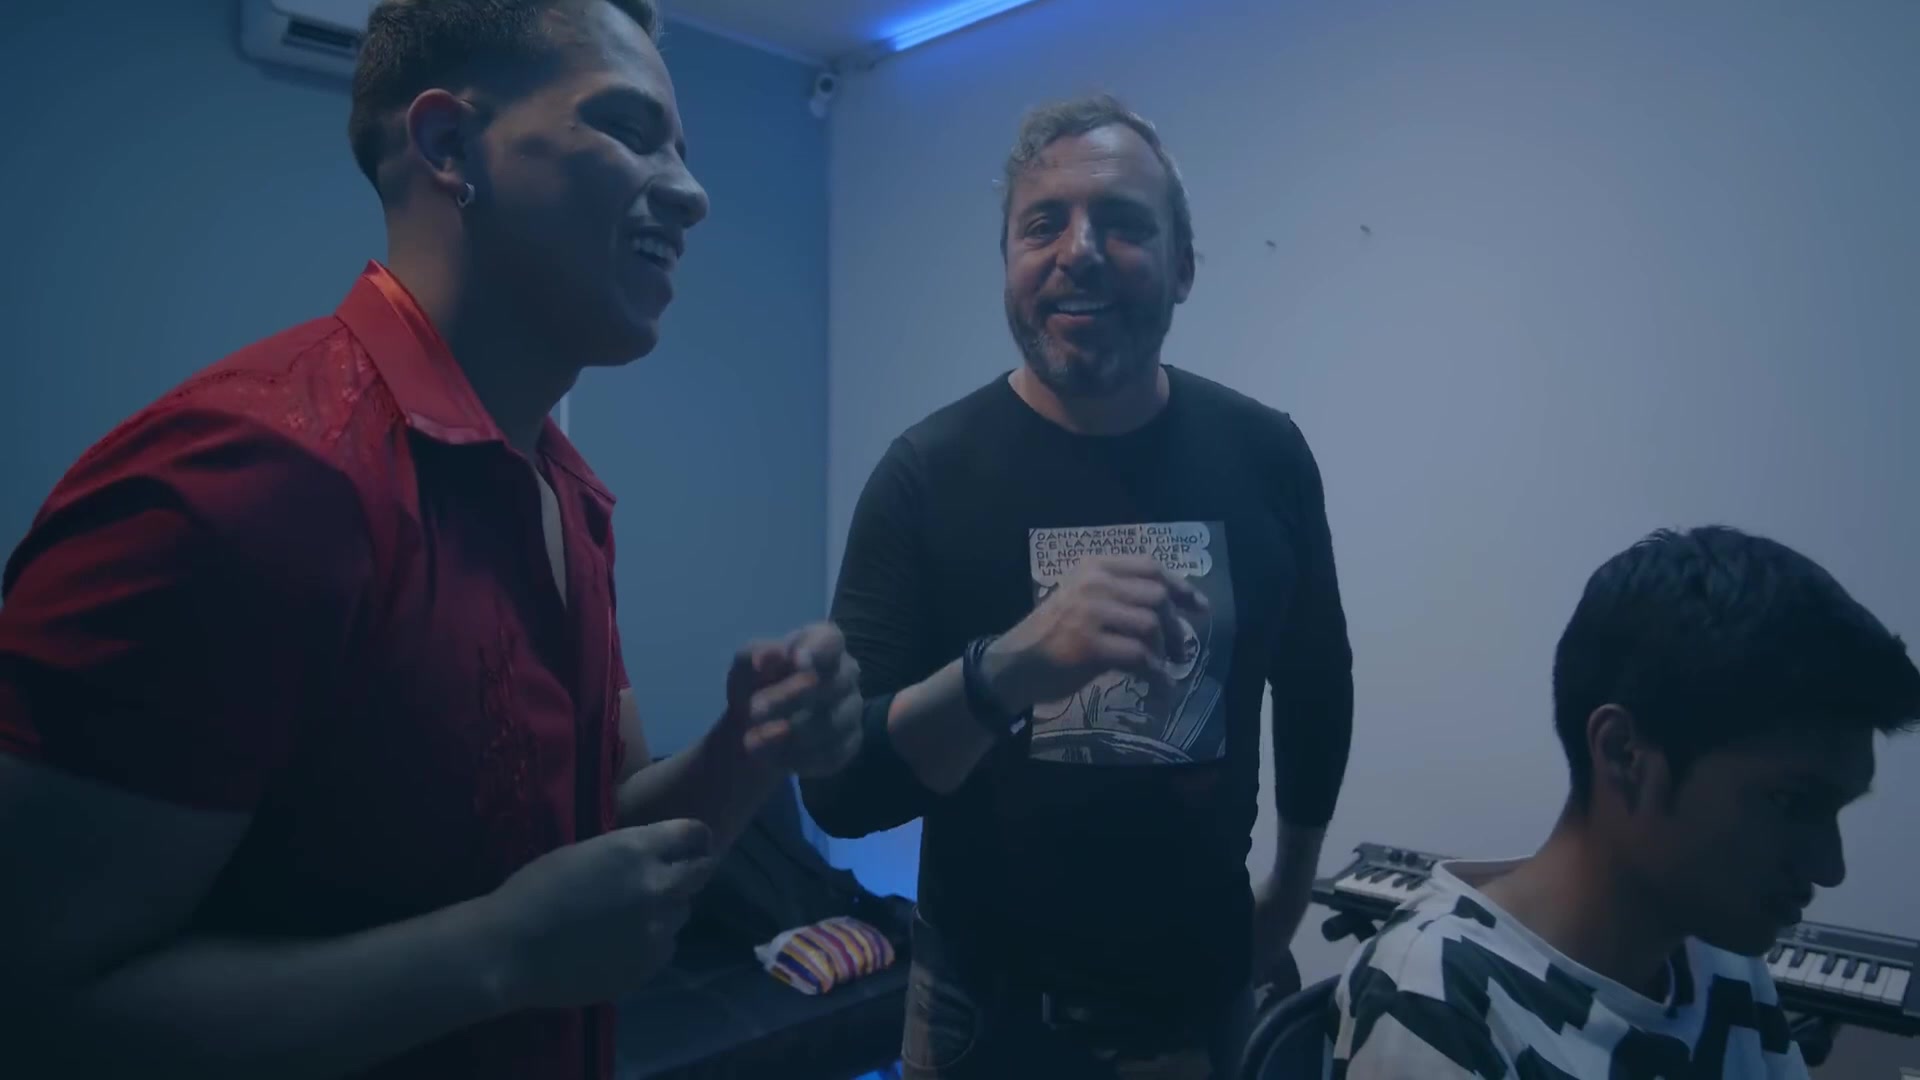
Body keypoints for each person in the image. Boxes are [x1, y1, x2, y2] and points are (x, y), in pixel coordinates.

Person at [0, 2, 863, 1077]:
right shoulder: (242, 477)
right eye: (629, 130)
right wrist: (494, 957)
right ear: (451, 146)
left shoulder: (568, 494)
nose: (692, 193)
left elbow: (596, 841)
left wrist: (747, 750)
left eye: (682, 151)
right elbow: (35, 1010)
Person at [801, 94, 1355, 1079]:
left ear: (1183, 267)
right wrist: (1006, 671)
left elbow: (1317, 682)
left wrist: (1288, 892)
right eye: (1043, 224)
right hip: (984, 1014)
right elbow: (841, 790)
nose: (1079, 252)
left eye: (1124, 223)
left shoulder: (1266, 456)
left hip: (1203, 1005)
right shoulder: (925, 475)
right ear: (1008, 266)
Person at [1330, 526, 1920, 1079]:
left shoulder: (1723, 953)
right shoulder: (1435, 1001)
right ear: (1623, 753)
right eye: (1790, 802)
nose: (1830, 868)